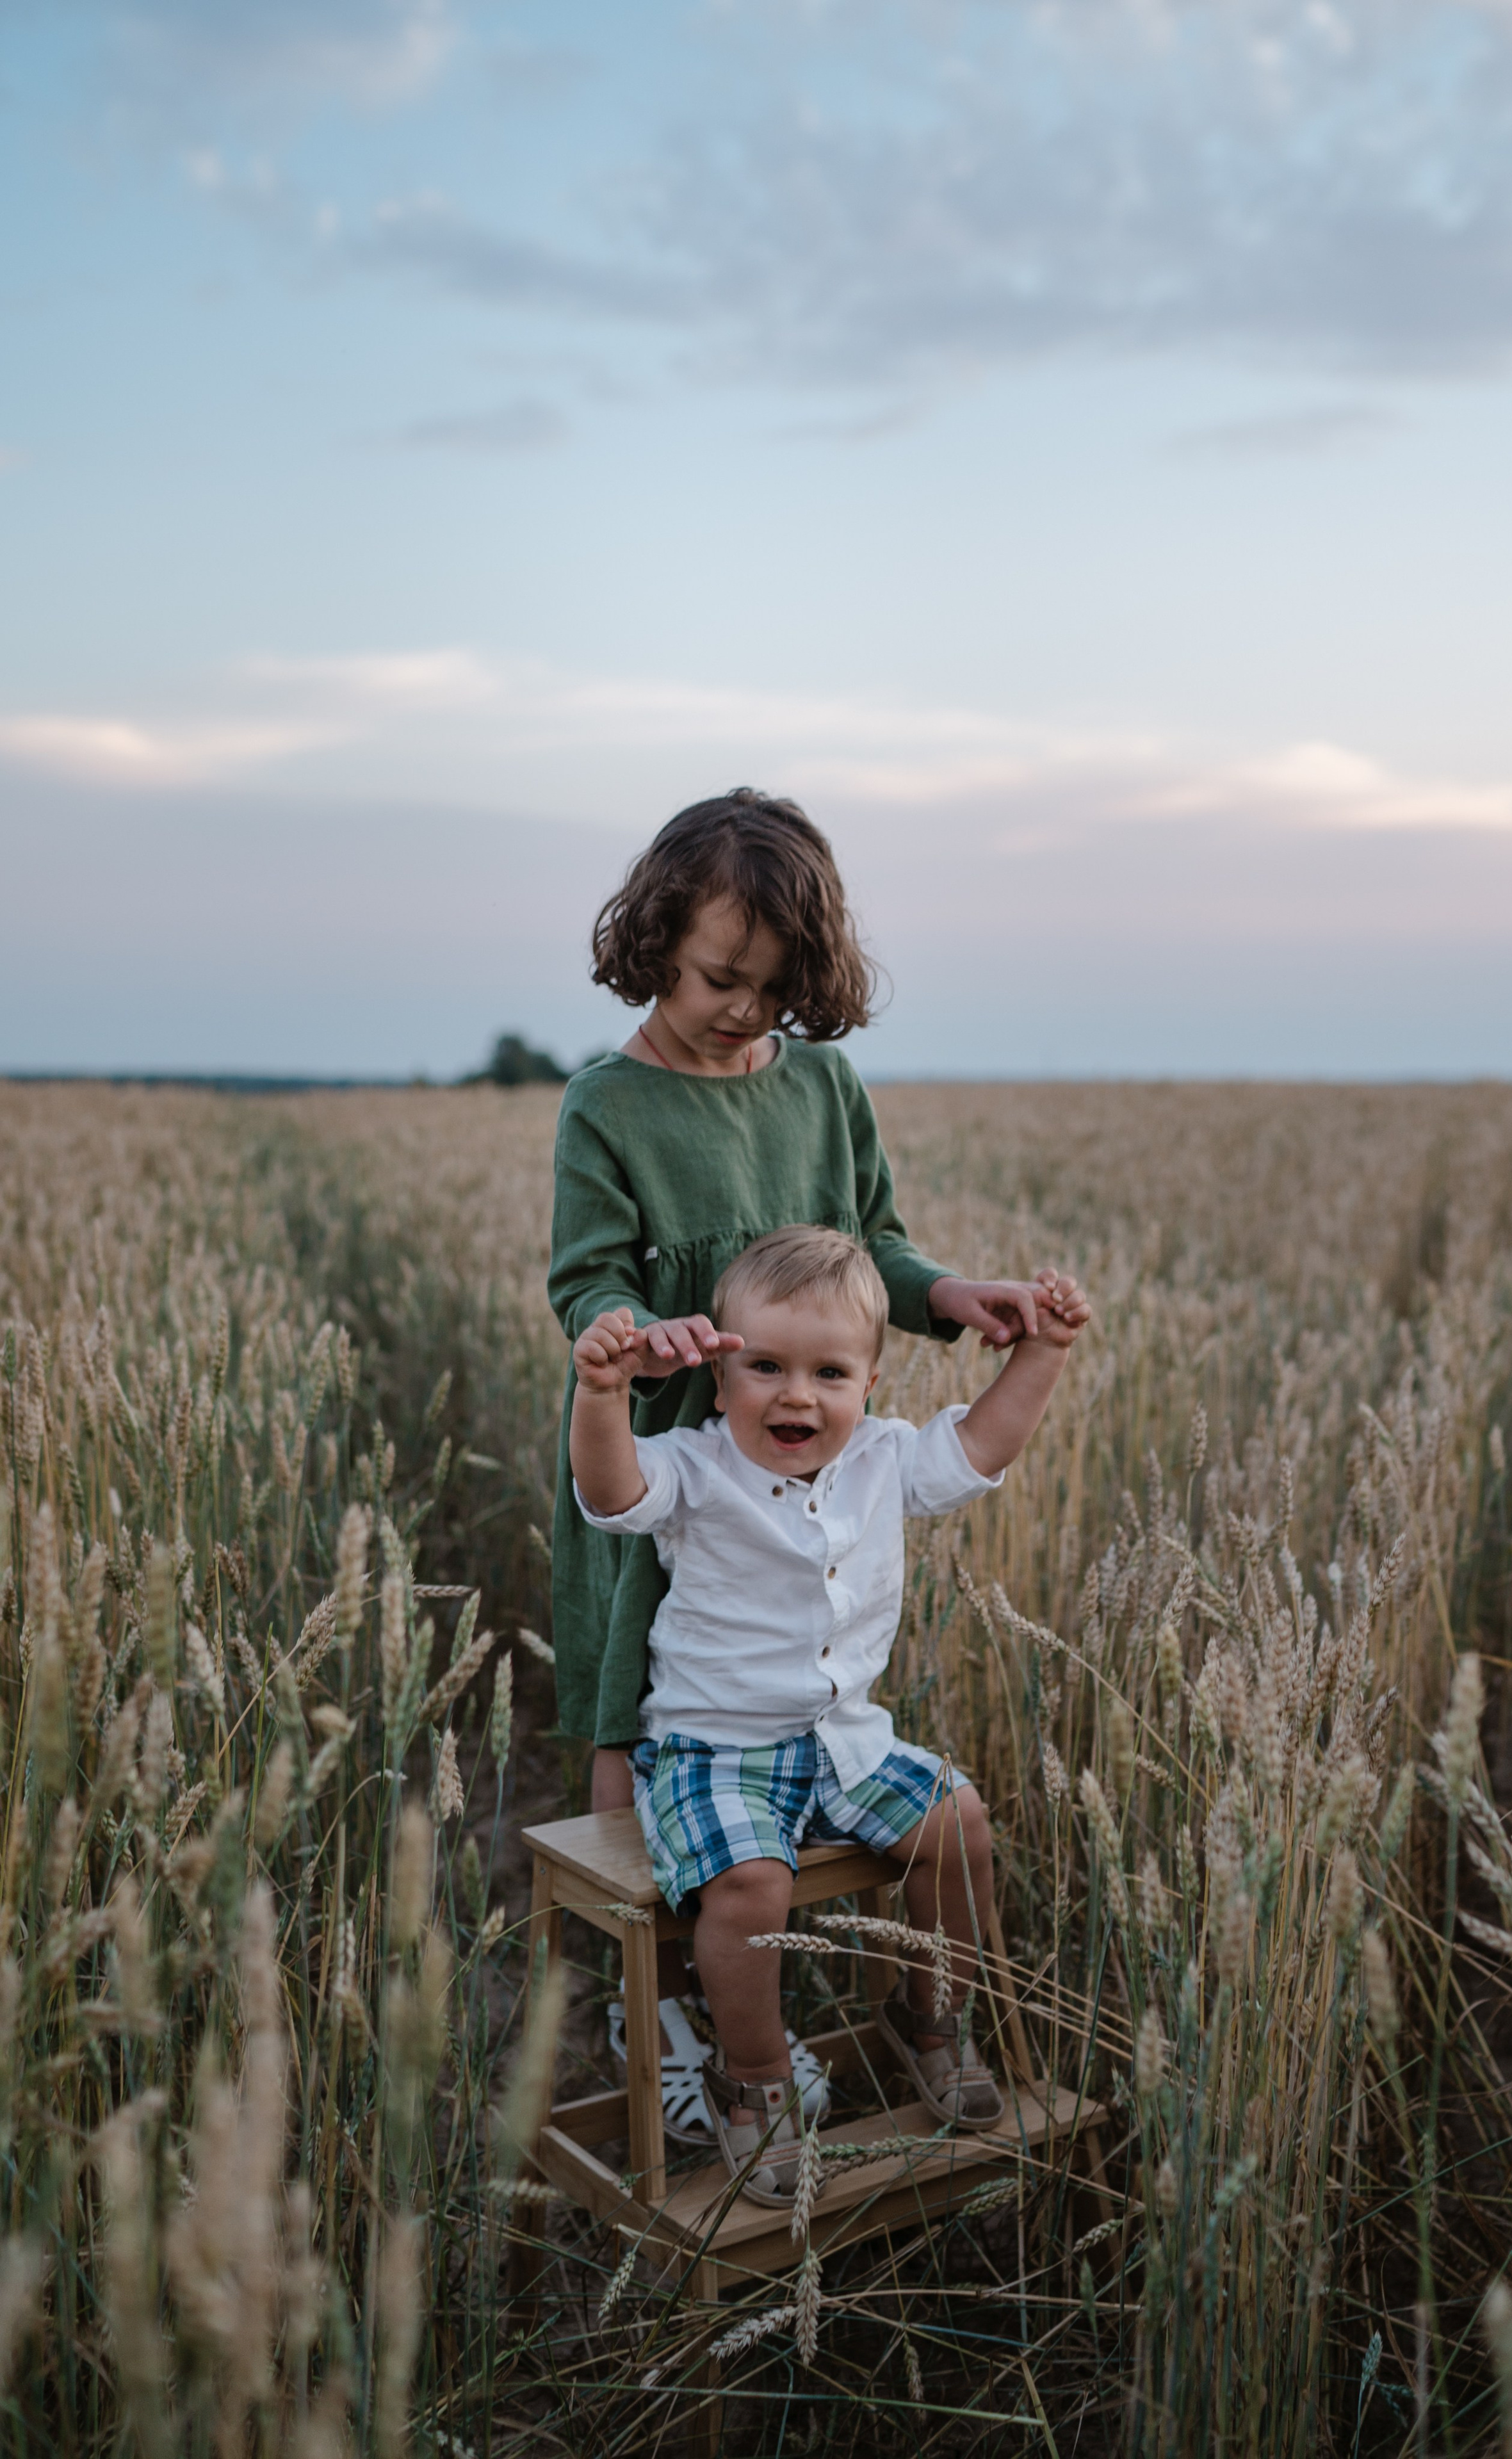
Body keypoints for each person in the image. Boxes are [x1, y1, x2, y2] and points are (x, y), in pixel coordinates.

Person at [546, 788, 1073, 2133]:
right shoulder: (606, 1105)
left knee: (781, 1684)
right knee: (634, 1707)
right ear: (654, 938)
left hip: (806, 1450)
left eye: (774, 990)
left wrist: (953, 1296)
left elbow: (874, 1250)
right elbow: (585, 1282)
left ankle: (867, 2007)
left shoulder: (821, 1085)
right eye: (721, 977)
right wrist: (633, 1336)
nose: (742, 1011)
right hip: (659, 1440)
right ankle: (654, 2008)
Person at [568, 1224, 1089, 2207]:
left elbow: (982, 1445)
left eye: (829, 1373)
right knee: (750, 1887)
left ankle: (930, 2020)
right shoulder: (694, 1465)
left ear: (871, 1387)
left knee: (960, 1823)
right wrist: (603, 1395)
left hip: (848, 1738)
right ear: (719, 1383)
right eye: (763, 1366)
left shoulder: (886, 1459)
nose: (796, 1395)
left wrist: (1044, 1353)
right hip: (715, 1750)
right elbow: (610, 1490)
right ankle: (753, 2082)